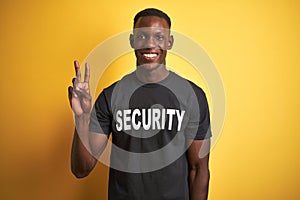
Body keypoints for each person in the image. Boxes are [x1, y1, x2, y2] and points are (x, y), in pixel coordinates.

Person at [68, 8, 212, 200]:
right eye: (142, 36)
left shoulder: (192, 95)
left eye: (159, 37)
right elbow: (81, 168)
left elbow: (199, 169)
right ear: (132, 41)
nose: (150, 44)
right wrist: (82, 117)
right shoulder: (111, 97)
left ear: (169, 42)